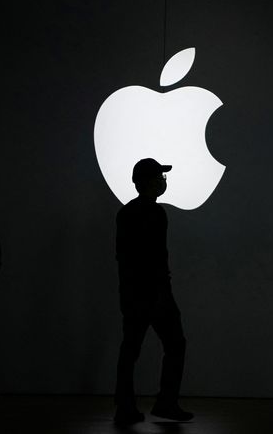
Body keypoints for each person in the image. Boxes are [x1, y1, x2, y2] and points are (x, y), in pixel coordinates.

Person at [113, 158, 193, 425]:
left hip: (133, 293)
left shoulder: (126, 213)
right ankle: (165, 402)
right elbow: (155, 257)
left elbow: (125, 258)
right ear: (147, 181)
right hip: (154, 293)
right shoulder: (155, 213)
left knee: (130, 349)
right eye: (160, 177)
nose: (163, 181)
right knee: (175, 344)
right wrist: (161, 291)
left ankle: (125, 407)